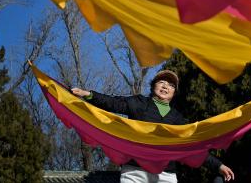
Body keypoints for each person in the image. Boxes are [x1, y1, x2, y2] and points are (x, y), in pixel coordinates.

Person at [71, 69, 235, 183]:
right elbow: (113, 103)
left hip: (166, 174)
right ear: (153, 86)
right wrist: (89, 94)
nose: (165, 86)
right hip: (135, 171)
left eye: (171, 85)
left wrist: (218, 165)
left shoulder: (178, 119)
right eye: (162, 82)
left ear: (174, 93)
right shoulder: (138, 103)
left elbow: (193, 148)